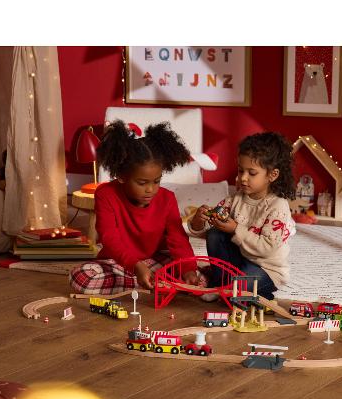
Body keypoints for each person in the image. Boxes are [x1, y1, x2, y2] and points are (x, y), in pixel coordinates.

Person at [69, 120, 201, 294]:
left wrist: (188, 269)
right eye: (142, 183)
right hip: (119, 262)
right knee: (82, 277)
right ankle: (160, 284)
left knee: (196, 275)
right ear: (121, 176)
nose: (151, 189)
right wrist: (135, 266)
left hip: (154, 260)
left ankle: (153, 282)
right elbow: (110, 238)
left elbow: (178, 238)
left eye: (156, 181)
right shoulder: (105, 194)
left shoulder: (167, 198)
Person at [188, 132, 296, 301]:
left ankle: (257, 294)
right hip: (239, 261)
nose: (242, 178)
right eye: (240, 170)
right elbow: (208, 231)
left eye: (252, 173)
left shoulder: (277, 207)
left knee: (237, 291)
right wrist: (197, 221)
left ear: (272, 175)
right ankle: (220, 284)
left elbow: (267, 248)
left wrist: (236, 229)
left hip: (266, 268)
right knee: (216, 234)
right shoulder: (236, 198)